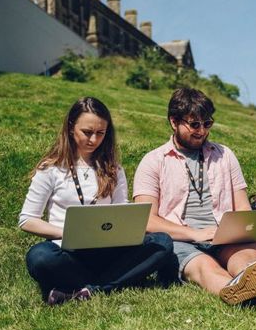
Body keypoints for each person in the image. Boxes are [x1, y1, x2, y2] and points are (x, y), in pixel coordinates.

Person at [133, 88, 256, 308]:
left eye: (207, 124)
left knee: (245, 259)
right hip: (181, 240)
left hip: (223, 236)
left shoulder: (225, 155)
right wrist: (195, 234)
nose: (202, 131)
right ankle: (248, 293)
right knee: (206, 268)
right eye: (194, 124)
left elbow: (242, 208)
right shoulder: (153, 161)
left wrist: (241, 230)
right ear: (173, 122)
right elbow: (147, 220)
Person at [19, 97, 176, 305]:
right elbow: (27, 220)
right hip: (68, 252)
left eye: (100, 133)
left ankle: (88, 289)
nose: (93, 139)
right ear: (70, 127)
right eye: (87, 132)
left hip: (108, 250)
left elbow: (122, 211)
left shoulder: (113, 169)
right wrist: (68, 233)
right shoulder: (51, 169)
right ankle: (111, 282)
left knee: (162, 243)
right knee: (39, 256)